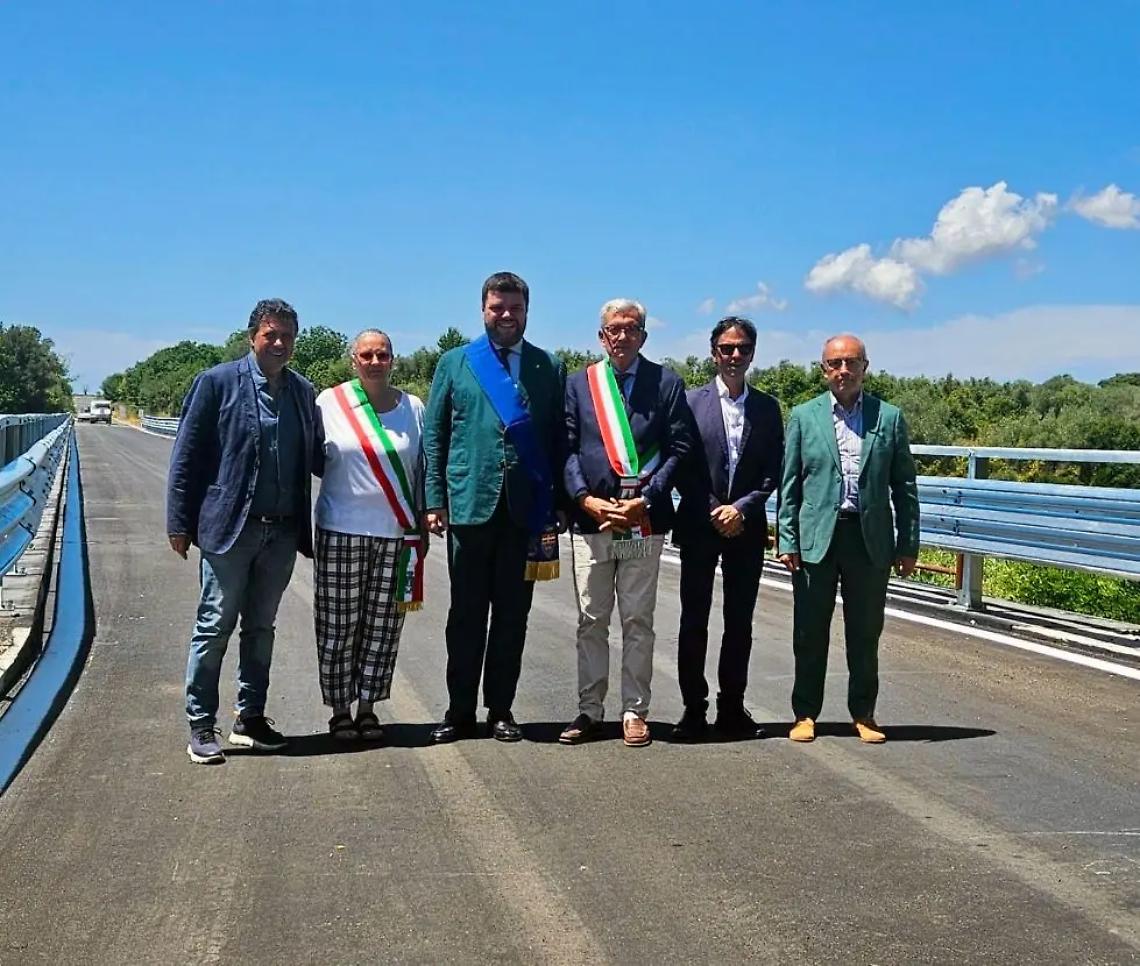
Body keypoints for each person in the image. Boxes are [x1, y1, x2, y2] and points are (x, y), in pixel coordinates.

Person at [168, 298, 321, 764]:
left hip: (282, 532)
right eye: (270, 334)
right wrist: (178, 522)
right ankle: (201, 724)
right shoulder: (216, 382)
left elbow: (320, 454)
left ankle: (250, 718)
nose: (279, 343)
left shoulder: (302, 391)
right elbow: (186, 455)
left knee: (260, 628)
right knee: (215, 625)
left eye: (287, 336)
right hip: (230, 529)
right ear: (252, 336)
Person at [422, 272, 567, 743]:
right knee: (465, 615)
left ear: (527, 310)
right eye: (497, 307)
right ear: (483, 309)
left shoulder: (549, 366)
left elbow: (557, 440)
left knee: (512, 616)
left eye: (515, 308)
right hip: (470, 505)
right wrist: (434, 499)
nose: (506, 315)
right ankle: (459, 710)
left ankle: (500, 709)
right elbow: (435, 436)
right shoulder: (456, 362)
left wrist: (559, 503)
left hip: (525, 511)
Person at [560, 298, 693, 747]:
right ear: (602, 336)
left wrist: (647, 500)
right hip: (593, 522)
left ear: (643, 336)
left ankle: (635, 710)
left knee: (637, 619)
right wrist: (586, 500)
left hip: (642, 523)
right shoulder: (579, 383)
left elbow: (679, 448)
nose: (622, 336)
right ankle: (589, 710)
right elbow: (567, 448)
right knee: (591, 618)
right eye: (614, 329)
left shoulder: (666, 382)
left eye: (631, 328)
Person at [776, 334, 919, 744]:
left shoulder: (888, 417)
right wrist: (787, 539)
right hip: (817, 537)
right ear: (824, 370)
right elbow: (790, 484)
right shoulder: (804, 416)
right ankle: (805, 713)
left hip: (868, 539)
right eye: (835, 364)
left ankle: (864, 714)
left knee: (865, 632)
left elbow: (904, 486)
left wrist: (908, 544)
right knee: (809, 631)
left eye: (851, 362)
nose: (843, 371)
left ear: (864, 368)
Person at [672, 317, 784, 742]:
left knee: (739, 622)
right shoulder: (689, 402)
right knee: (693, 620)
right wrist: (714, 509)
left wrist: (740, 509)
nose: (734, 355)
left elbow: (773, 471)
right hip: (699, 525)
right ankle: (693, 710)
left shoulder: (767, 408)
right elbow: (681, 464)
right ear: (713, 352)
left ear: (752, 353)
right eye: (726, 348)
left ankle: (732, 707)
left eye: (742, 348)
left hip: (746, 528)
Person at [313, 330, 426, 744]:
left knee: (383, 626)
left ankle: (368, 707)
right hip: (341, 528)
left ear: (392, 359)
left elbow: (422, 469)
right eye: (367, 355)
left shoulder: (413, 407)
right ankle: (340, 710)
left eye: (382, 355)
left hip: (396, 533)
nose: (375, 362)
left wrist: (424, 521)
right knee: (338, 626)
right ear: (353, 360)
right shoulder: (329, 402)